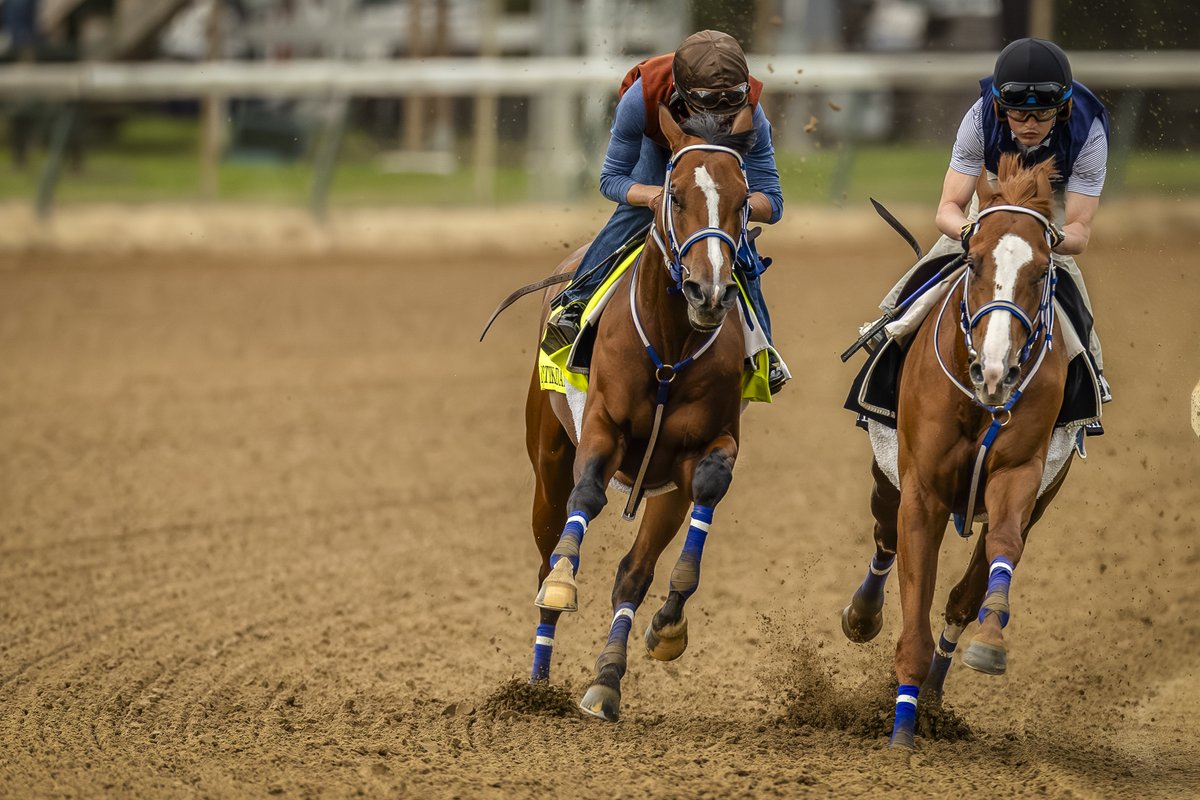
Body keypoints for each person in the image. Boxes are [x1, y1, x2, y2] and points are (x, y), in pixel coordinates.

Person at [542, 30, 787, 392]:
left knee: (737, 247)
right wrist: (657, 198)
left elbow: (773, 202)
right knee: (634, 217)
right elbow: (612, 180)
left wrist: (724, 205)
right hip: (658, 155)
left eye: (731, 103)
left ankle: (763, 348)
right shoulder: (641, 99)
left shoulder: (754, 112)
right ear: (682, 94)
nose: (722, 116)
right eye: (709, 104)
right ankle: (576, 305)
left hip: (720, 174)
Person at [876, 37, 1112, 402]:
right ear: (1001, 109)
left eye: (1043, 114)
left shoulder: (1090, 131)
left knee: (1068, 281)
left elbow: (1079, 232)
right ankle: (889, 328)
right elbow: (948, 209)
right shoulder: (978, 117)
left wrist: (1043, 235)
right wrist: (974, 231)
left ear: (1063, 109)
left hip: (1053, 201)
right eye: (1019, 114)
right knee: (942, 258)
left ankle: (1091, 371)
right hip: (992, 191)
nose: (1030, 124)